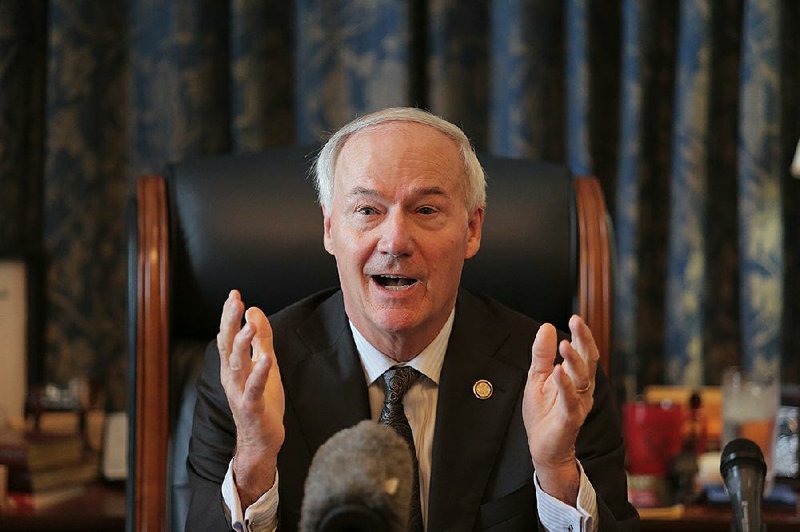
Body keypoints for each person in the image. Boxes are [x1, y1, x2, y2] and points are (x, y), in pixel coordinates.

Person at [187, 107, 639, 531]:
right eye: (367, 210)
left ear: (473, 229)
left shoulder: (553, 377)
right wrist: (254, 463)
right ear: (330, 229)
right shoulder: (251, 374)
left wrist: (557, 473)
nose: (396, 240)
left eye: (425, 210)